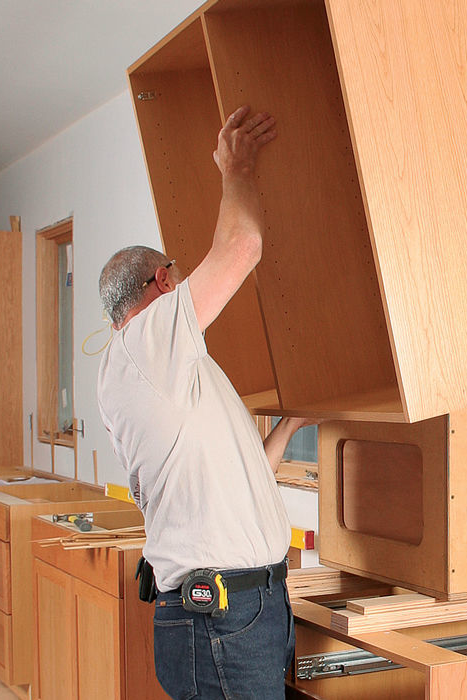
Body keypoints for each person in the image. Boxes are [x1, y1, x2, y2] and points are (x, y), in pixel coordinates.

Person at [97, 105, 306, 699]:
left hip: (246, 610)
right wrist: (237, 167)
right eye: (179, 276)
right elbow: (242, 244)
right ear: (163, 281)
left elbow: (236, 486)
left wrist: (288, 427)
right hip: (222, 620)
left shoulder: (172, 375)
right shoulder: (145, 344)